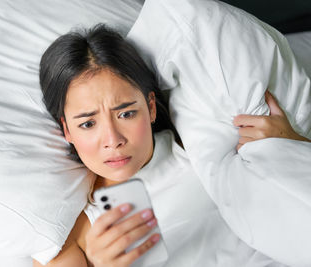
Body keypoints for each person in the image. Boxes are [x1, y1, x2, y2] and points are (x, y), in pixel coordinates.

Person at [35, 24, 310, 267]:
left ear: (151, 108)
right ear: (67, 130)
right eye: (88, 124)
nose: (113, 140)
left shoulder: (203, 148)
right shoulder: (64, 235)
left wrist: (292, 146)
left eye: (126, 113)